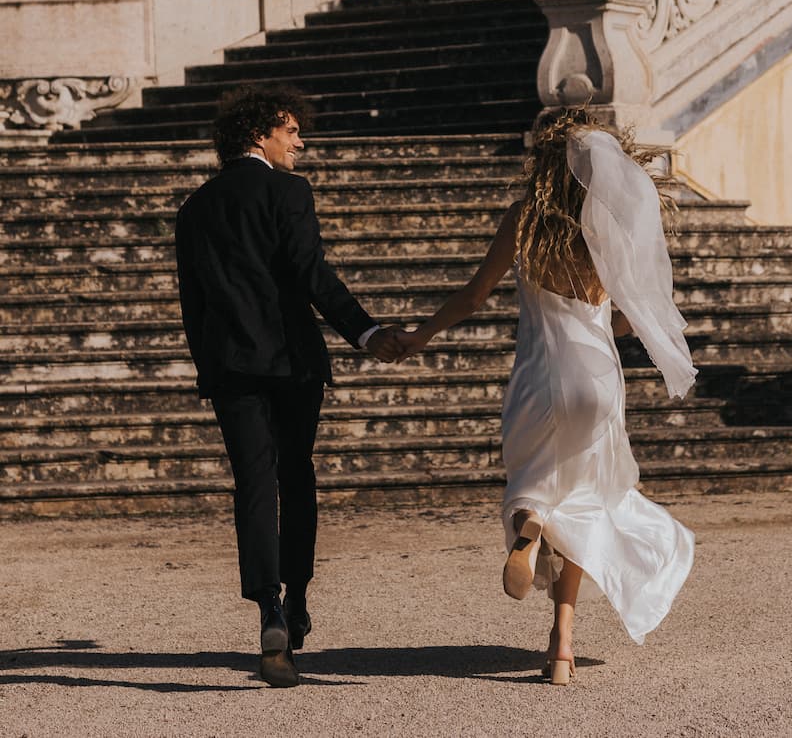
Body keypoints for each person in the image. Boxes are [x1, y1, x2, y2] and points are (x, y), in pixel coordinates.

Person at [399, 106, 697, 683]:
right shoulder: (607, 227)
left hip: (539, 376)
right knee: (586, 504)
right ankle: (562, 647)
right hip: (599, 380)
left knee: (532, 483)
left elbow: (473, 296)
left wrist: (419, 335)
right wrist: (603, 322)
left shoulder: (522, 222)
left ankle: (529, 522)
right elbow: (635, 318)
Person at [174, 85, 408, 688]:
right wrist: (366, 331)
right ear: (260, 134)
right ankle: (298, 600)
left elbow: (192, 303)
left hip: (231, 367)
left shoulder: (195, 206)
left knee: (253, 483)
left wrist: (212, 367)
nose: (300, 141)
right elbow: (311, 274)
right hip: (291, 362)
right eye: (291, 130)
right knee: (295, 477)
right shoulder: (289, 190)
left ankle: (269, 607)